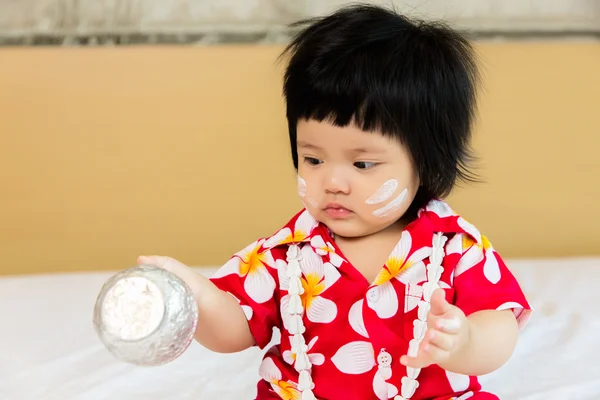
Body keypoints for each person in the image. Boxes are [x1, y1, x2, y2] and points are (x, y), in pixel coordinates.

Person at [138, 4, 532, 399]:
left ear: (428, 163)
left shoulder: (453, 247)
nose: (333, 182)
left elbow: (500, 326)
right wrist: (199, 295)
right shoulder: (286, 254)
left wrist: (465, 342)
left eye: (363, 163)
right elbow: (233, 328)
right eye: (313, 159)